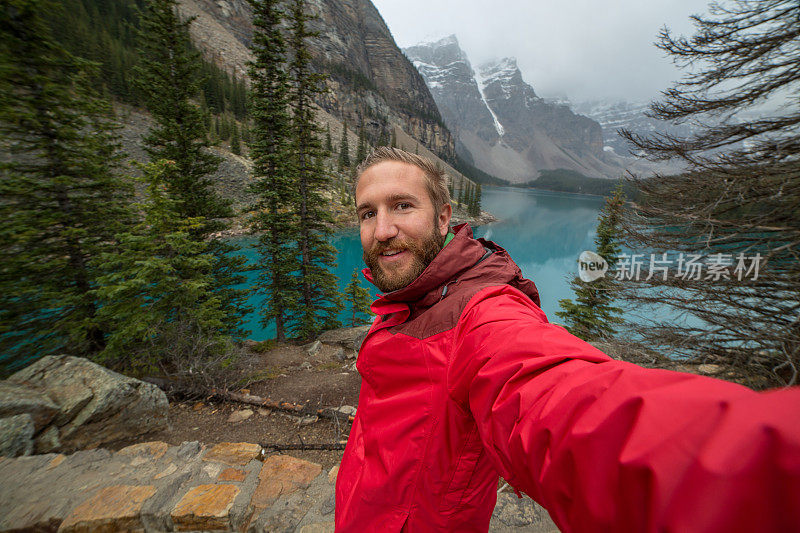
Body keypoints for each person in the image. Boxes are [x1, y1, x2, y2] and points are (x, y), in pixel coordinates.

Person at [334, 147, 800, 532]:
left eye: (402, 205)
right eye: (367, 213)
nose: (383, 231)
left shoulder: (482, 313)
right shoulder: (410, 297)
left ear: (443, 218)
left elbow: (560, 402)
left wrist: (759, 468)